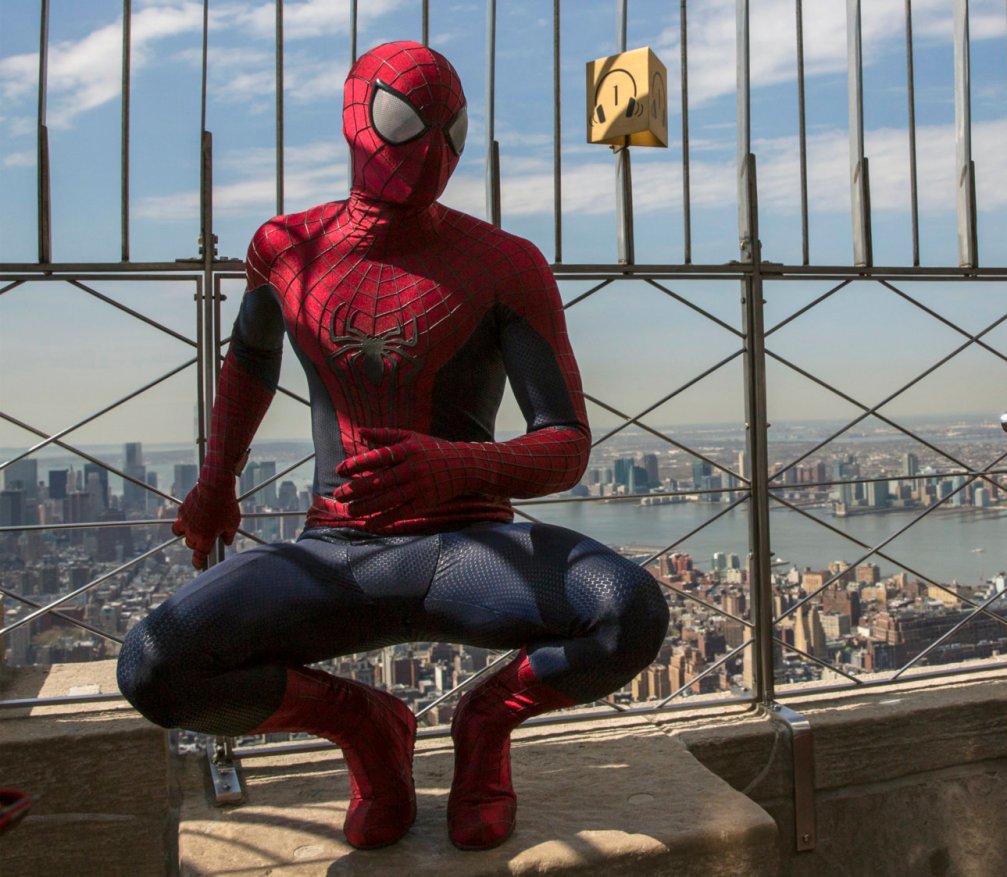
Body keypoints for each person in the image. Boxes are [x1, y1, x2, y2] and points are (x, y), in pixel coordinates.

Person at [117, 41, 668, 853]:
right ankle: (368, 727)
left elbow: (567, 444)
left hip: (472, 543)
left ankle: (485, 722)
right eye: (406, 121)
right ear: (356, 114)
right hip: (339, 547)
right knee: (155, 666)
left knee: (630, 611)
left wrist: (455, 464)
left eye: (450, 131)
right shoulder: (284, 249)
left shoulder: (504, 264)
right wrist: (214, 485)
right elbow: (251, 364)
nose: (427, 151)